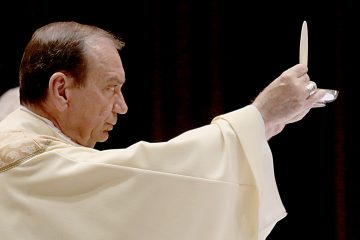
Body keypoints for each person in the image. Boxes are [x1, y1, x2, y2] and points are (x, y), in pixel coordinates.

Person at [0, 21, 327, 240]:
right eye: (111, 88)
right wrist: (260, 116)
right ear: (61, 90)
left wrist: (259, 130)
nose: (122, 106)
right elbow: (148, 177)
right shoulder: (21, 162)